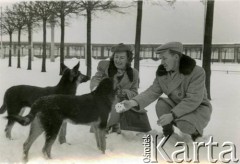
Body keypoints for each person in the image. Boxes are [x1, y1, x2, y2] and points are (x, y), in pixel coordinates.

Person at [119, 42, 212, 141]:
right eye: (161, 59)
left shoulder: (197, 72)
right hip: (176, 105)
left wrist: (172, 115)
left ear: (176, 57)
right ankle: (168, 133)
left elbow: (193, 99)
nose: (162, 62)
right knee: (161, 104)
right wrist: (132, 102)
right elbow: (152, 92)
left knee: (185, 125)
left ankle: (195, 134)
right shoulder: (162, 73)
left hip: (197, 108)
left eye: (164, 58)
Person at [90, 43, 151, 134]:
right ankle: (102, 128)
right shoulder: (105, 67)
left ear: (128, 59)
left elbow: (134, 92)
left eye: (122, 58)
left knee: (116, 101)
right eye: (116, 57)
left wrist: (125, 92)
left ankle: (113, 125)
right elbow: (95, 79)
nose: (118, 60)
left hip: (122, 104)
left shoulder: (134, 73)